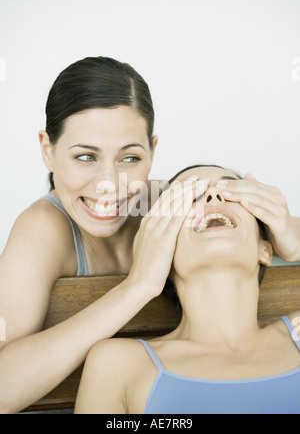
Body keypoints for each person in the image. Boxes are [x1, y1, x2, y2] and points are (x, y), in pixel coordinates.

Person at [0, 57, 206, 414]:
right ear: (47, 150)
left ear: (153, 151)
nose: (109, 184)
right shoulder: (43, 229)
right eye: (85, 157)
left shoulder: (159, 203)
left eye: (129, 159)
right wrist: (137, 287)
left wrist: (289, 236)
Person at [75, 165, 300, 415]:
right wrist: (140, 281)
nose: (214, 197)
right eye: (189, 196)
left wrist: (294, 240)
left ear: (266, 250)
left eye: (231, 191)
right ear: (162, 252)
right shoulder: (118, 364)